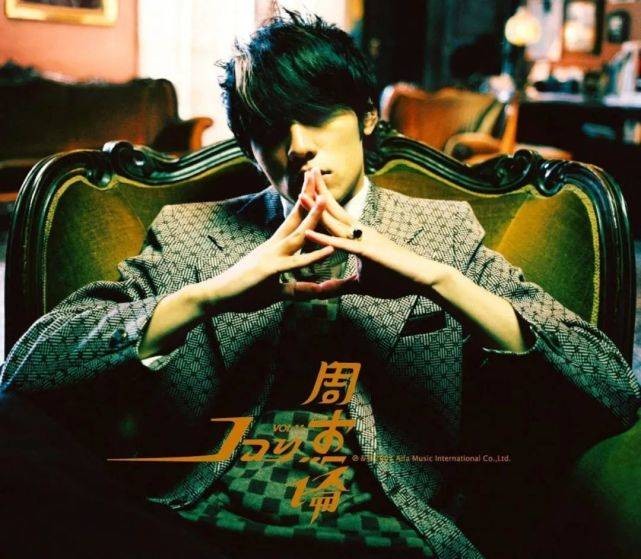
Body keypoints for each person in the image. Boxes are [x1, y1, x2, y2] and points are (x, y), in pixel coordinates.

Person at [1, 10, 640, 559]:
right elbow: (26, 370)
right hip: (201, 522)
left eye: (315, 116)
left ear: (366, 117)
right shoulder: (192, 232)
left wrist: (438, 279)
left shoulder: (441, 231)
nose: (299, 146)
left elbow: (611, 384)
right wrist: (209, 294)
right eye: (271, 130)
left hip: (387, 527)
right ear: (249, 148)